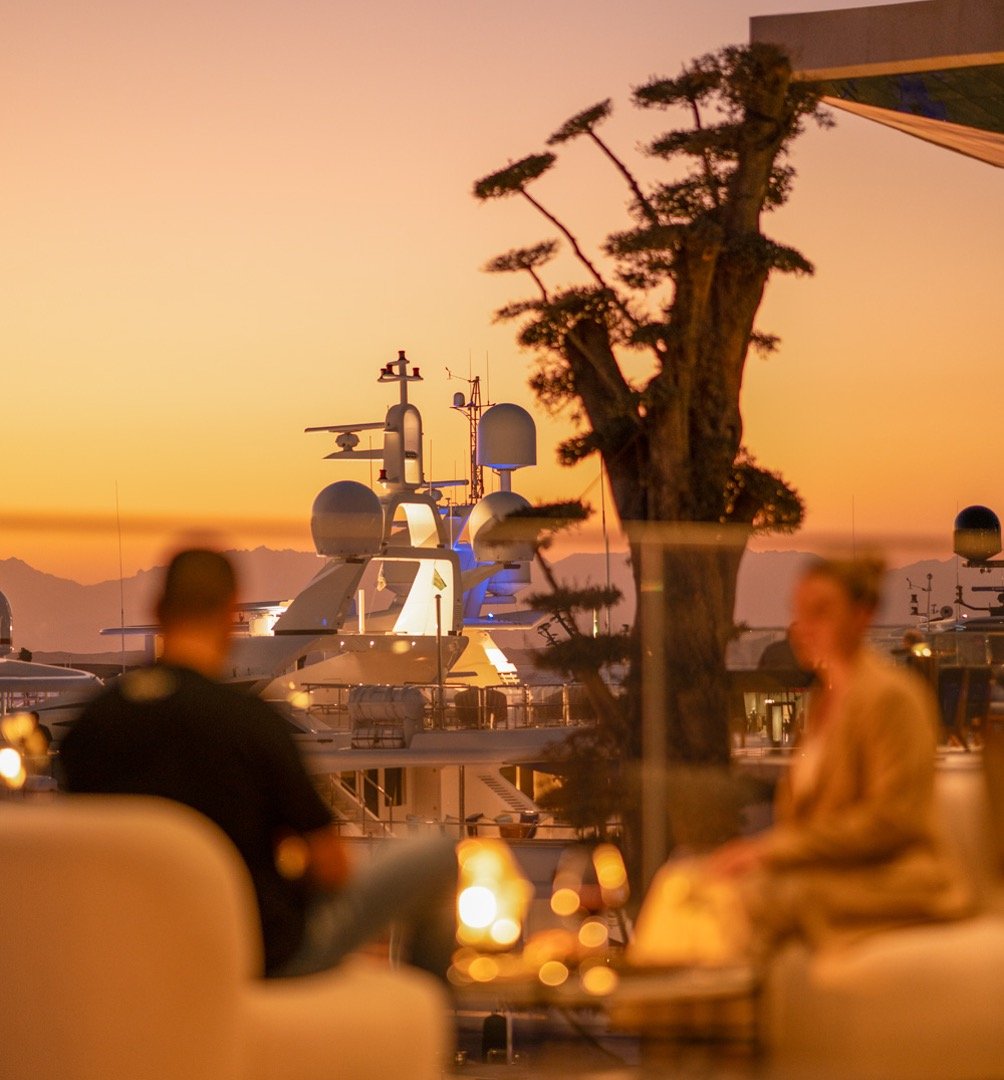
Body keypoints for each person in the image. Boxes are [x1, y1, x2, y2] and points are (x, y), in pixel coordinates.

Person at [59, 548, 457, 979]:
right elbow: (332, 868)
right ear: (232, 612)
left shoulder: (92, 724)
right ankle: (430, 1016)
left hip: (133, 952)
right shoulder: (249, 721)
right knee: (436, 854)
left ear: (157, 610)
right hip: (257, 954)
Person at [709, 556, 974, 954]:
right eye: (798, 613)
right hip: (832, 870)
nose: (803, 627)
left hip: (890, 878)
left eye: (821, 612)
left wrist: (771, 850)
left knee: (727, 904)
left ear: (861, 616)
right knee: (685, 883)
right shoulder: (823, 701)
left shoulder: (891, 698)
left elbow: (891, 821)